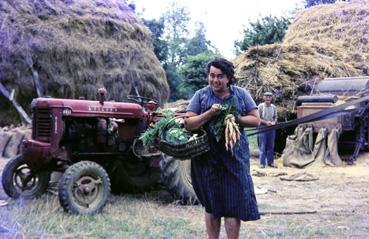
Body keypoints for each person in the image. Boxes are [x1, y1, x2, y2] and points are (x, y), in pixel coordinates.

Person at [184, 58, 261, 239]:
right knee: (212, 204)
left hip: (235, 158)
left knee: (233, 204)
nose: (215, 80)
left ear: (228, 78)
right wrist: (209, 113)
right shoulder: (201, 95)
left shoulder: (241, 94)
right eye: (212, 75)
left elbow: (255, 119)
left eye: (220, 76)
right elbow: (189, 123)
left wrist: (236, 118)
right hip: (207, 159)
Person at [257, 92, 277, 168]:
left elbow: (275, 117)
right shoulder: (260, 106)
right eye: (266, 97)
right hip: (262, 128)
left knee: (271, 146)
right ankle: (262, 163)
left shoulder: (273, 107)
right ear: (263, 98)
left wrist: (274, 122)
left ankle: (271, 162)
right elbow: (258, 118)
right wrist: (266, 122)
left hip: (271, 128)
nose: (268, 98)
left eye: (269, 97)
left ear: (271, 98)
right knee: (262, 145)